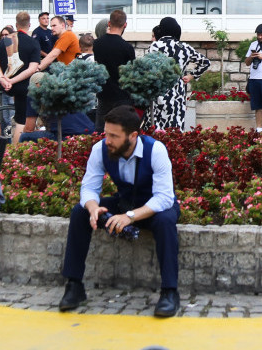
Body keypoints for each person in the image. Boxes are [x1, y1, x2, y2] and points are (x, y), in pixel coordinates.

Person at [59, 105, 181, 318]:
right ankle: (74, 286)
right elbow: (89, 187)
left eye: (114, 136)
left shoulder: (156, 150)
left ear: (133, 135)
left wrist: (130, 217)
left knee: (165, 221)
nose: (107, 140)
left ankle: (170, 292)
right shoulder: (101, 149)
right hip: (124, 203)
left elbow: (163, 198)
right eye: (106, 133)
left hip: (154, 207)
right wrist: (94, 208)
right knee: (79, 212)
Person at [145, 17, 211, 130]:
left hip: (159, 93)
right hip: (177, 95)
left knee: (157, 129)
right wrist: (191, 76)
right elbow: (205, 62)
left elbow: (147, 68)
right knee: (175, 129)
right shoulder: (185, 47)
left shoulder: (155, 46)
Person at [0, 12, 43, 142]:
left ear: (16, 24)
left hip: (6, 86)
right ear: (29, 25)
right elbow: (32, 68)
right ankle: (17, 150)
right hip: (24, 87)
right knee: (21, 121)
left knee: (16, 117)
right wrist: (13, 80)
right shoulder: (33, 43)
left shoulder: (4, 42)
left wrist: (3, 79)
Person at [92, 9, 136, 130]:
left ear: (109, 23)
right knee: (121, 130)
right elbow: (132, 73)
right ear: (125, 25)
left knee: (101, 130)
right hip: (122, 95)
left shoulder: (97, 44)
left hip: (103, 93)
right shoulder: (127, 47)